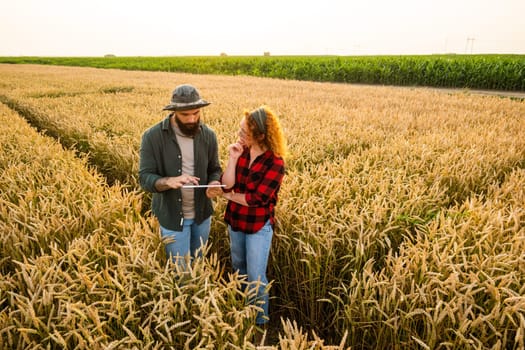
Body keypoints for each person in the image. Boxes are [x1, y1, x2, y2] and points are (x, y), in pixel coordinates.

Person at [211, 105, 287, 327]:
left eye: (244, 133)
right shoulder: (241, 151)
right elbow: (228, 183)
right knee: (239, 269)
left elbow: (256, 199)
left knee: (255, 276)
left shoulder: (275, 162)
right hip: (235, 221)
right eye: (240, 130)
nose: (239, 135)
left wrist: (226, 195)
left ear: (261, 136)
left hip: (257, 226)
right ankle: (243, 314)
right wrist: (233, 158)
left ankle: (259, 323)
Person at [139, 84, 222, 268]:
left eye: (196, 113)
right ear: (174, 111)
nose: (192, 119)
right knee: (181, 273)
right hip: (172, 218)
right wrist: (169, 181)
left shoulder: (208, 135)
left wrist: (214, 181)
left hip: (202, 215)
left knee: (199, 266)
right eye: (186, 115)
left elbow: (215, 168)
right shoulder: (152, 137)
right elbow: (145, 178)